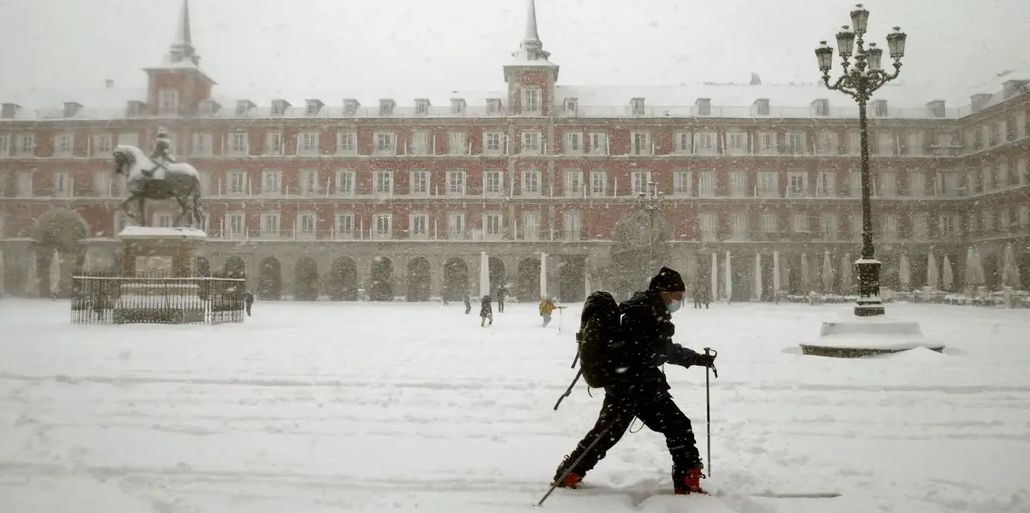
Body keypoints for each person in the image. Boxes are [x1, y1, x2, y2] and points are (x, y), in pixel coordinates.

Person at [551, 267, 716, 495]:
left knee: (608, 432)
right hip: (636, 385)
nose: (679, 302)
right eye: (677, 297)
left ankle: (570, 472)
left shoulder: (646, 309)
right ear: (664, 292)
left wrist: (693, 357)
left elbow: (655, 350)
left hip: (628, 382)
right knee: (677, 425)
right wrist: (680, 353)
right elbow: (647, 353)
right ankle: (688, 478)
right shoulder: (643, 312)